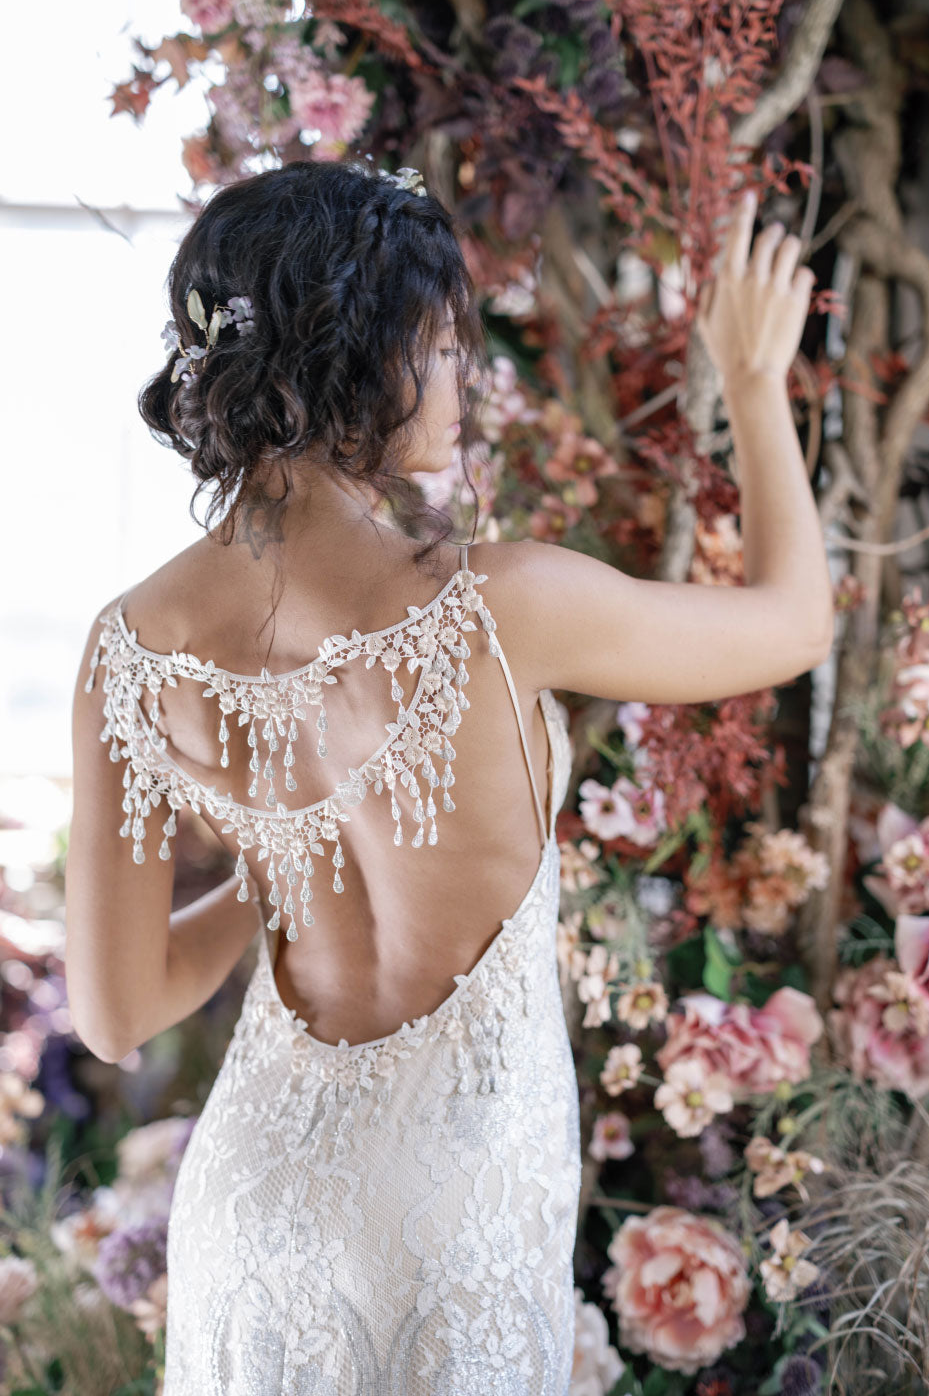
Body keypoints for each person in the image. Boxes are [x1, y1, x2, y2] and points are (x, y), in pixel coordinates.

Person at [65, 157, 832, 1392]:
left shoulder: (129, 647)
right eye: (443, 346)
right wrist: (751, 382)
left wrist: (279, 865)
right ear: (363, 356)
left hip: (256, 1205)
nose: (464, 381)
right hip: (452, 1214)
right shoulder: (502, 607)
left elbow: (115, 1013)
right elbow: (795, 624)